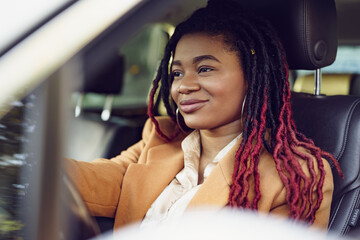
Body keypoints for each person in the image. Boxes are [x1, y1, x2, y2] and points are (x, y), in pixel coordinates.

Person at [64, 0, 342, 231]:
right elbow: (88, 181)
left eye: (205, 69)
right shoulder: (159, 137)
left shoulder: (297, 175)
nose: (183, 86)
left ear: (253, 76)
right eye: (177, 73)